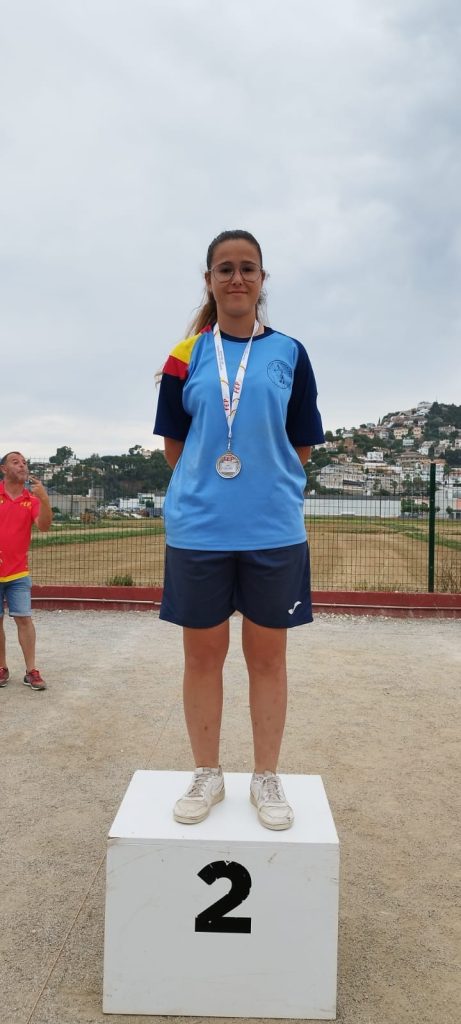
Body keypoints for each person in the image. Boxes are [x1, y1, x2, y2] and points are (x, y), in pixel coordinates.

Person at [153, 229, 324, 829]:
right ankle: (207, 772)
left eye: (248, 267)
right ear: (208, 280)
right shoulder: (185, 354)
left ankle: (266, 776)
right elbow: (175, 447)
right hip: (199, 530)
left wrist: (261, 487)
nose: (236, 278)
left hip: (273, 530)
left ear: (262, 279)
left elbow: (301, 445)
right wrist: (213, 487)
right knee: (202, 658)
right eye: (224, 268)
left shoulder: (290, 353)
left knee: (267, 660)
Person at [0, 451, 53, 691]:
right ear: (4, 469)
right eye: (16, 462)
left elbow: (44, 526)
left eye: (24, 462)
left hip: (18, 572)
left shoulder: (31, 499)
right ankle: (2, 668)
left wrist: (45, 500)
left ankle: (31, 671)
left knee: (24, 619)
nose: (22, 465)